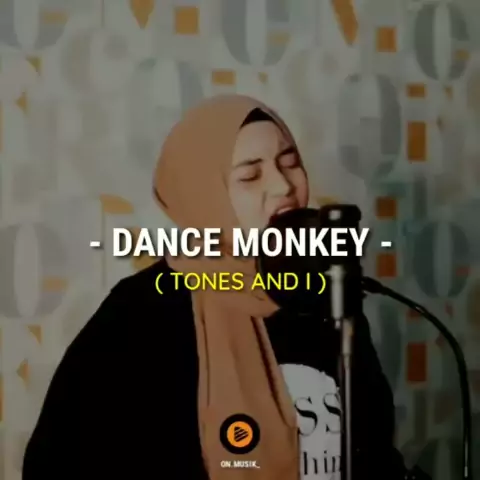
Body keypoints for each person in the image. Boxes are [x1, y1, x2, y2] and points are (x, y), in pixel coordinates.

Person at [22, 95, 427, 480]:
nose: (284, 186)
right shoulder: (142, 311)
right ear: (204, 197)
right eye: (250, 175)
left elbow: (372, 449)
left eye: (290, 163)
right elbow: (59, 465)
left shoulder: (326, 293)